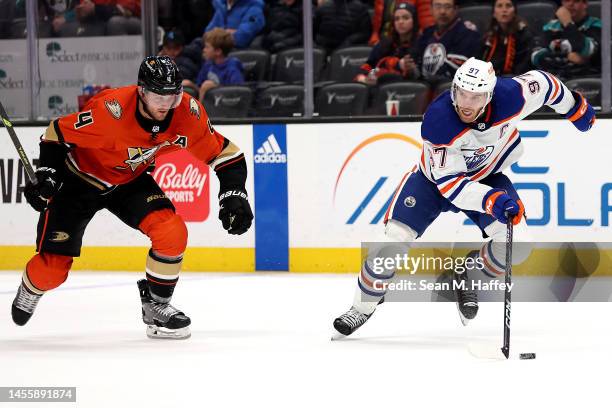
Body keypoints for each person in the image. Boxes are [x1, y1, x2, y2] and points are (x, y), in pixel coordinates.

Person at [332, 57, 596, 336]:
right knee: (390, 245)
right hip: (432, 183)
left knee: (519, 244)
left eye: (476, 96)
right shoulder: (439, 121)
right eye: (462, 94)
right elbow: (451, 187)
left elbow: (546, 85)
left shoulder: (511, 96)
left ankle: (469, 275)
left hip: (486, 177)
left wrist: (574, 107)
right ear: (454, 89)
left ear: (490, 94)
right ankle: (362, 307)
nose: (467, 103)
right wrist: (492, 200)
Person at [13, 56, 253, 340]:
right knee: (51, 272)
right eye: (156, 95)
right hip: (79, 180)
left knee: (172, 231)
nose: (165, 104)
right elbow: (55, 133)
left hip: (129, 180)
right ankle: (31, 289)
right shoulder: (108, 112)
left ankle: (156, 306)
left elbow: (226, 154)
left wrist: (234, 192)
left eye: (172, 95)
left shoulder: (187, 112)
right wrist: (48, 172)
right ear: (141, 90)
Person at [531, 0, 601, 80]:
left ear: (584, 4)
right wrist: (567, 57)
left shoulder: (596, 25)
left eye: (576, 1)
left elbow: (588, 49)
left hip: (587, 79)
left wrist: (567, 23)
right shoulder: (551, 27)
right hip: (555, 78)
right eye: (567, 0)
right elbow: (536, 56)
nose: (570, 4)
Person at [414, 0, 481, 82]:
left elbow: (459, 69)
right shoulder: (426, 34)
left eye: (447, 7)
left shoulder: (468, 33)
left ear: (456, 9)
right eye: (438, 6)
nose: (442, 11)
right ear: (431, 9)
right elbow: (416, 62)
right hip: (427, 88)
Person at [355, 2, 420, 85]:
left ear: (414, 20)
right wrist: (363, 77)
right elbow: (368, 66)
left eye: (405, 18)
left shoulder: (420, 43)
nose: (400, 22)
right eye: (397, 19)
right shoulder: (384, 43)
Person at [183, 28, 245, 102]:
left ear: (218, 51)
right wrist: (190, 84)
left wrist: (215, 88)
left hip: (224, 108)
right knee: (186, 82)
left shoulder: (232, 68)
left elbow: (238, 94)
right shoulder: (208, 65)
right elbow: (200, 88)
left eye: (207, 47)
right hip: (210, 103)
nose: (204, 50)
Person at [481, 0, 534, 76]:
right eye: (499, 6)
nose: (504, 10)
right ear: (494, 13)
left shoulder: (524, 34)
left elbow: (525, 64)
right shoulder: (489, 35)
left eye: (508, 6)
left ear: (515, 12)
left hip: (515, 79)